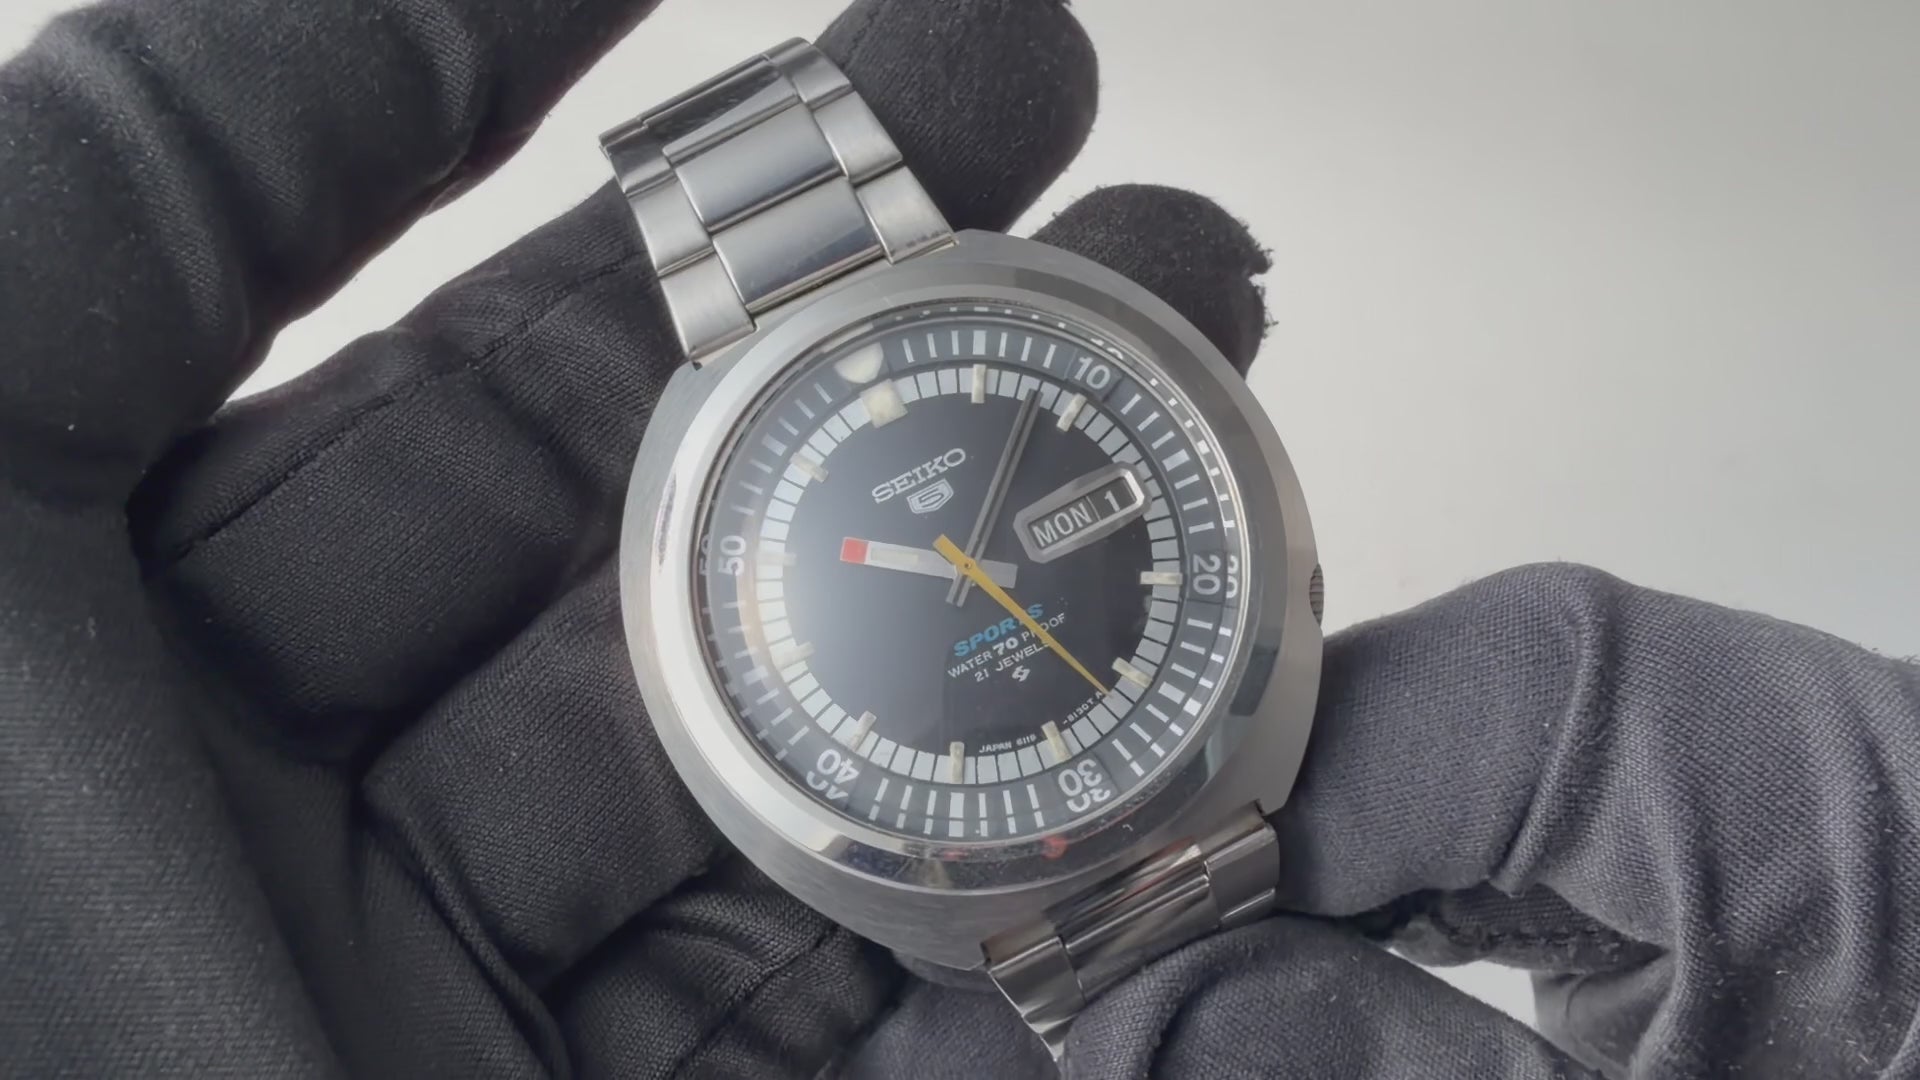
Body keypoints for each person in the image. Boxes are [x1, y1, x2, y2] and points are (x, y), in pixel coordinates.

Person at [1, 0, 1914, 1076]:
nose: (972, 573)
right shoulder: (694, 593)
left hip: (1152, 754)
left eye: (975, 558)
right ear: (684, 621)